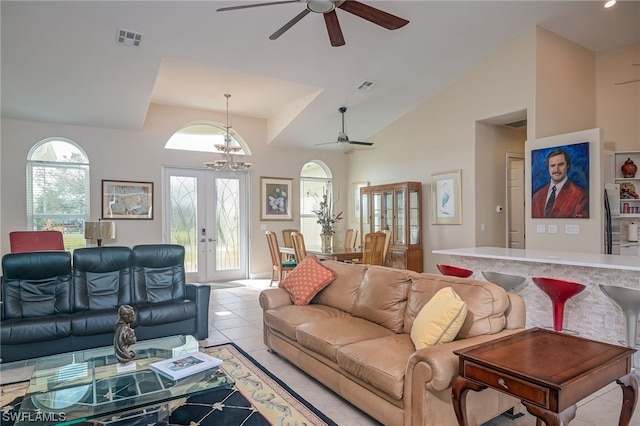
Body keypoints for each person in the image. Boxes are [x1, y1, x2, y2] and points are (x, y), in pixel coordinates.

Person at [531, 148, 589, 218]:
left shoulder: (580, 195)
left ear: (567, 166)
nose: (556, 169)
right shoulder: (537, 196)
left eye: (560, 165)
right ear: (548, 168)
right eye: (552, 166)